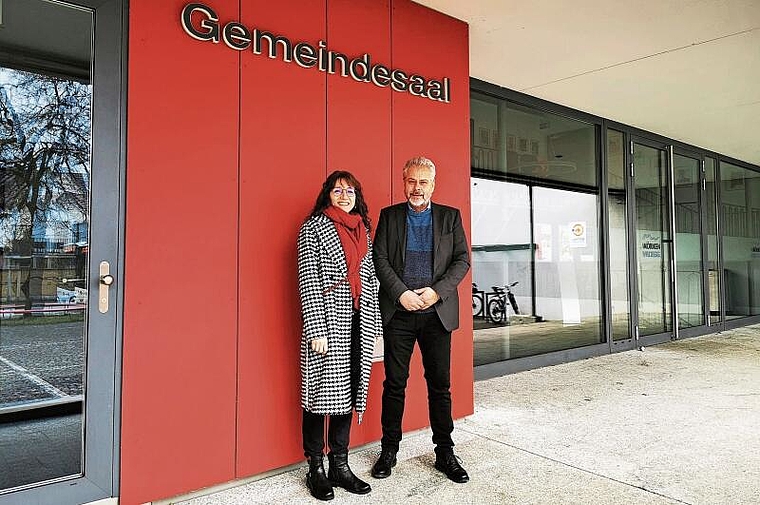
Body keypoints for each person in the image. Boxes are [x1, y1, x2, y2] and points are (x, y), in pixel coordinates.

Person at [371, 156, 470, 483]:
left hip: (436, 315)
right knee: (394, 384)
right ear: (404, 182)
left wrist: (436, 292)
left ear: (432, 185)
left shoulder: (450, 217)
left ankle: (445, 452)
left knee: (440, 386)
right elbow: (380, 259)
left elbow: (461, 260)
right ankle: (389, 450)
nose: (416, 188)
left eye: (423, 182)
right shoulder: (389, 216)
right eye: (411, 181)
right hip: (399, 313)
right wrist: (401, 293)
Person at [297, 170, 382, 501]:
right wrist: (316, 328)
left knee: (349, 393)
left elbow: (371, 279)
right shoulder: (314, 227)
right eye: (338, 190)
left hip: (359, 320)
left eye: (350, 190)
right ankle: (315, 468)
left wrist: (374, 326)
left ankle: (340, 466)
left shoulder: (363, 230)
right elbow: (308, 280)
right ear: (327, 195)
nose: (344, 195)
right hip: (328, 320)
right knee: (319, 398)